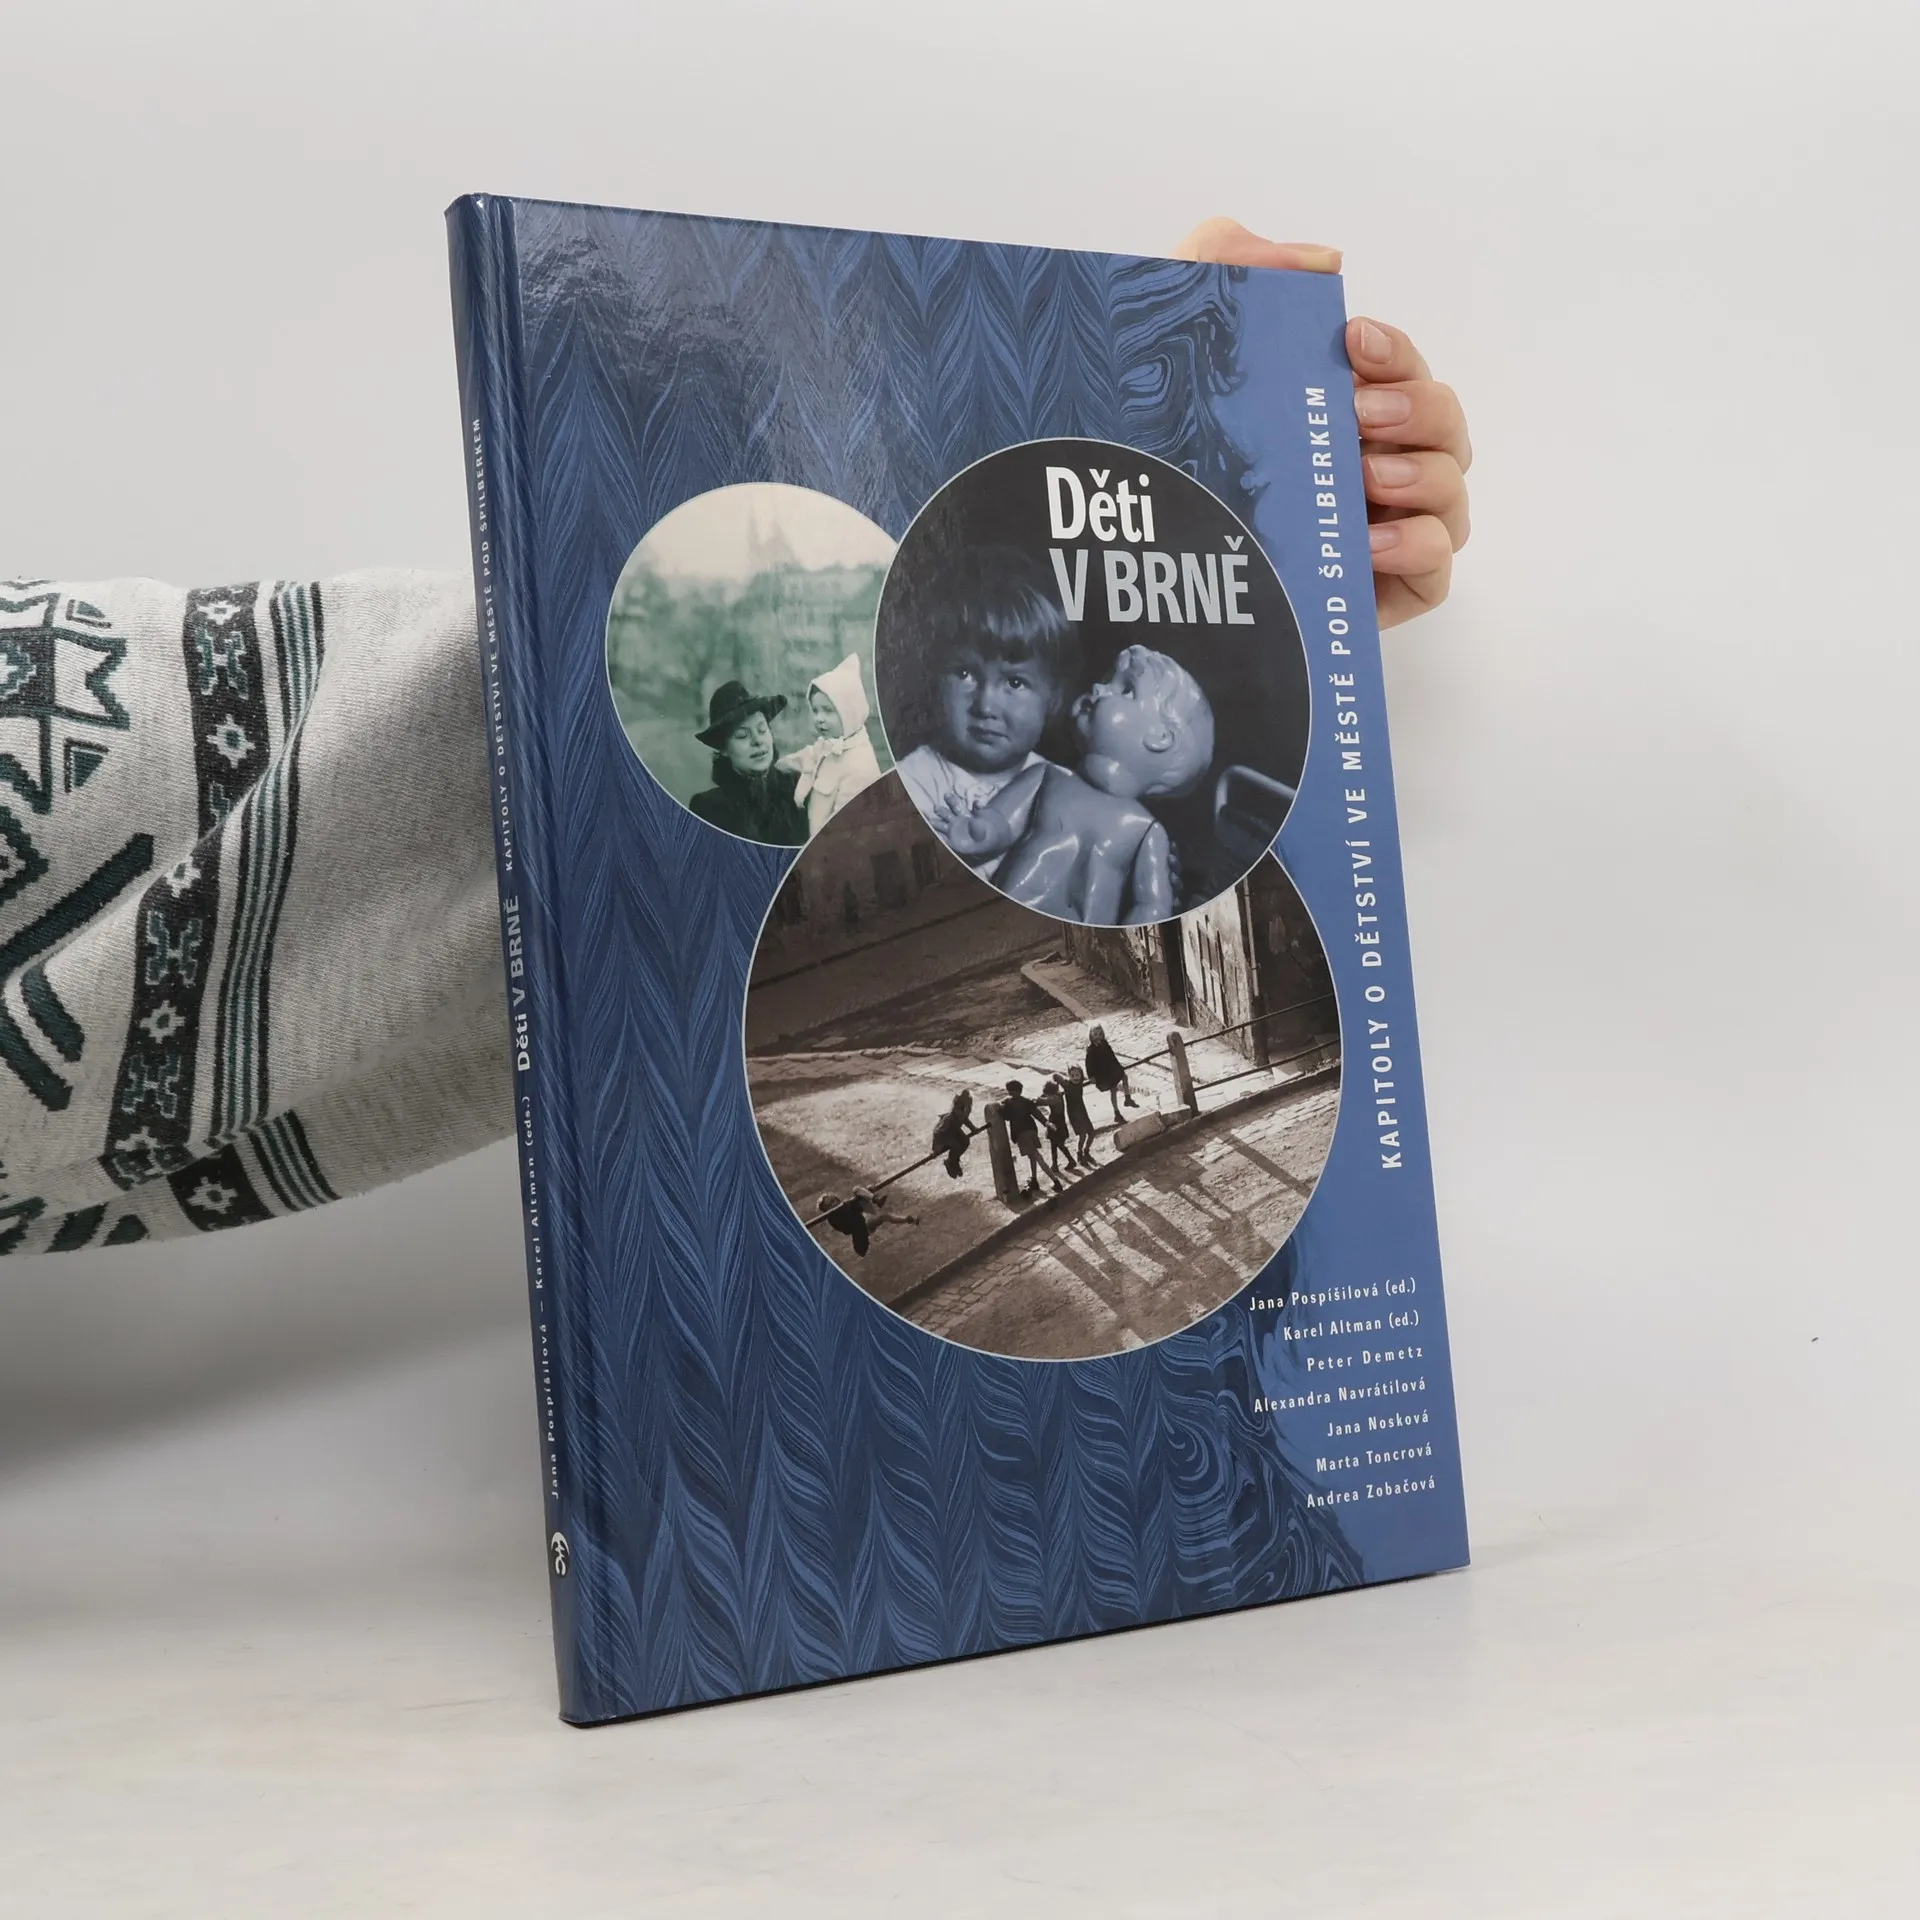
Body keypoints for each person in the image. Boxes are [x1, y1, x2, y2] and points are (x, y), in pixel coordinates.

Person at [0, 220, 1471, 1254]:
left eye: (1132, 688)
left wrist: (1154, 520)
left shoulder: (1096, 828)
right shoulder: (987, 791)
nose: (1075, 692)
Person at [933, 646, 1214, 925]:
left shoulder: (1146, 830)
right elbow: (1002, 822)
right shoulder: (1047, 776)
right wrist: (979, 832)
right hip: (1012, 915)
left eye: (1126, 689)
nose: (1098, 688)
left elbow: (1152, 905)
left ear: (1160, 736)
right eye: (1107, 680)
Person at [891, 547, 1076, 882]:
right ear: (934, 677)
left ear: (1053, 697)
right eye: (964, 674)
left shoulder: (1065, 788)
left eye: (1015, 682)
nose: (985, 706)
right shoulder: (913, 781)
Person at [777, 652, 884, 837]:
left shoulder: (860, 768)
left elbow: (845, 831)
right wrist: (773, 767)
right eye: (815, 710)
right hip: (806, 833)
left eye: (827, 711)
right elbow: (802, 759)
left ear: (849, 712)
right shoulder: (827, 746)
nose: (819, 718)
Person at [688, 681, 810, 844]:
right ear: (724, 749)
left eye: (762, 729)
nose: (757, 741)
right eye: (742, 735)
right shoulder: (708, 809)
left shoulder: (798, 788)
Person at [997, 1080, 1061, 1199]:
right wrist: (1047, 1123)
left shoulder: (1009, 1103)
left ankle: (1055, 1180)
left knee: (1037, 1157)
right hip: (1032, 1131)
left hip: (1022, 1134)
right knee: (1033, 1157)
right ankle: (1034, 1180)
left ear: (1010, 1091)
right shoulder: (1027, 1101)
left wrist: (1000, 1107)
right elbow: (1037, 1113)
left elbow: (1006, 1116)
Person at [816, 1187, 917, 1260]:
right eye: (830, 1204)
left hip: (866, 1217)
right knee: (884, 1217)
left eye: (833, 1200)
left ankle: (877, 1199)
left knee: (857, 1190)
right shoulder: (833, 1218)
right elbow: (847, 1230)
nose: (833, 1203)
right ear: (826, 1210)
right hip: (863, 1225)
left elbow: (858, 1205)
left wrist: (866, 1193)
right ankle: (873, 1197)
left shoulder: (846, 1204)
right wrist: (847, 1208)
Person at [1084, 1025, 1136, 1125]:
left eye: (1100, 1034)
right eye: (1095, 1035)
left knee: (1124, 1077)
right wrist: (1091, 1076)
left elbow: (1112, 1057)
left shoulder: (1105, 1044)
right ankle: (1117, 1113)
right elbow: (1088, 1064)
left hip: (1111, 1071)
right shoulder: (1091, 1050)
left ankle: (1127, 1098)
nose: (1098, 1037)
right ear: (1091, 1036)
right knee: (1113, 1090)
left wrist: (1119, 1067)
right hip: (1102, 1075)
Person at [930, 1090, 978, 1179]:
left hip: (954, 1131)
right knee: (956, 1146)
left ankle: (955, 1159)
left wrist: (973, 1129)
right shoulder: (949, 1119)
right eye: (960, 1108)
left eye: (966, 1108)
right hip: (944, 1135)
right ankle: (950, 1161)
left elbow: (966, 1121)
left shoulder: (961, 1115)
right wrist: (936, 1149)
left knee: (966, 1141)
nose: (963, 1112)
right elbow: (938, 1133)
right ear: (954, 1108)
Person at [1037, 1078, 1075, 1180]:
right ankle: (1055, 1164)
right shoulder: (1057, 1095)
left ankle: (1070, 1160)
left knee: (1059, 1144)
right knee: (1054, 1145)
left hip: (1057, 1125)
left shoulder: (1054, 1099)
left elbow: (1042, 1101)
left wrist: (1036, 1099)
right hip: (1057, 1123)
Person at [1062, 1066, 1097, 1166]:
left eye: (1077, 1075)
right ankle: (1079, 1153)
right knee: (1082, 1135)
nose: (1075, 1077)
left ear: (1081, 1075)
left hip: (1082, 1112)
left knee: (1091, 1133)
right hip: (1074, 1115)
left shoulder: (1080, 1083)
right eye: (1072, 1075)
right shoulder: (1068, 1086)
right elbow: (1056, 1077)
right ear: (1069, 1076)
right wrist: (1060, 1081)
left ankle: (1086, 1151)